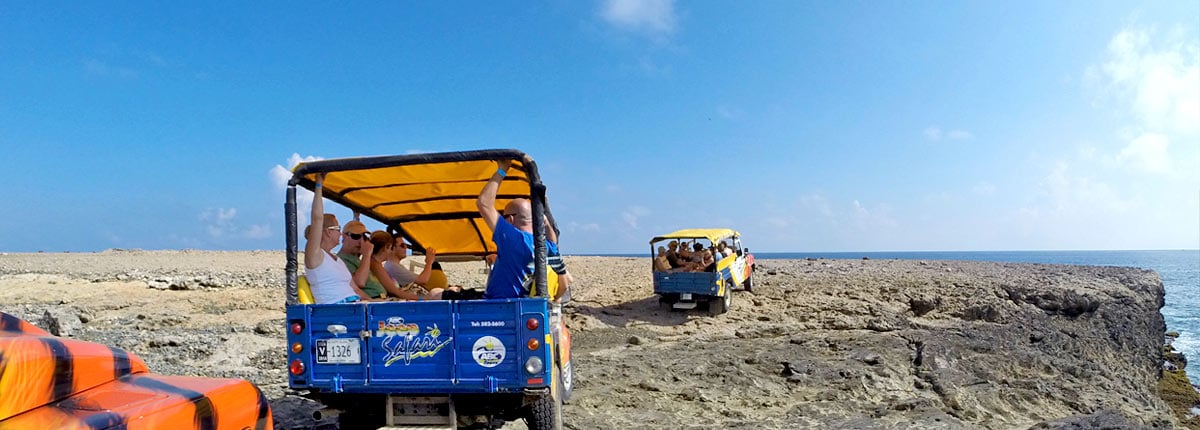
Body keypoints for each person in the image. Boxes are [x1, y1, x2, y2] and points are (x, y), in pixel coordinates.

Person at [477, 160, 536, 299]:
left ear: (510, 219)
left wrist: (502, 169)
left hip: (501, 303)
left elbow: (484, 204)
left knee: (436, 293)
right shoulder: (544, 243)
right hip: (526, 302)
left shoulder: (514, 238)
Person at [302, 173, 364, 304]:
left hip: (354, 305)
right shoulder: (315, 255)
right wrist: (319, 184)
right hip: (336, 308)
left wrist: (378, 302)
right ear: (328, 232)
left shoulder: (338, 260)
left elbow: (355, 289)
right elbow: (317, 219)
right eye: (338, 229)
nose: (341, 234)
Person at [367, 231, 440, 300]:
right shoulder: (378, 265)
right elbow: (396, 292)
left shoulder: (376, 264)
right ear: (386, 247)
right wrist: (423, 299)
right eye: (402, 245)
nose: (406, 248)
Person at [336, 220, 386, 300]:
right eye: (356, 236)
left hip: (382, 298)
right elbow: (359, 282)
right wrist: (366, 255)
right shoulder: (340, 260)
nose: (361, 241)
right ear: (344, 236)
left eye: (364, 237)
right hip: (370, 301)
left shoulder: (359, 260)